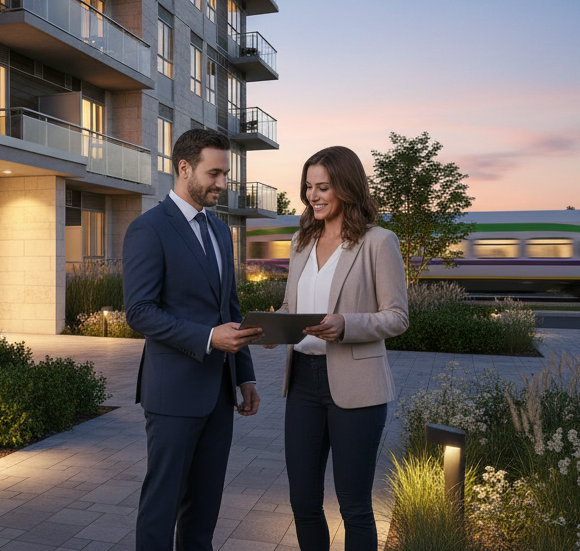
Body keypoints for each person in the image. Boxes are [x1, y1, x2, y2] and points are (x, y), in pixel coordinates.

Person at [124, 128, 263, 551]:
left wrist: (245, 376)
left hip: (219, 395)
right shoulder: (149, 229)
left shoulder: (221, 232)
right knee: (161, 507)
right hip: (173, 395)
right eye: (215, 173)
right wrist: (207, 338)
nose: (222, 183)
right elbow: (140, 311)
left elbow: (230, 310)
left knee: (204, 510)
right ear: (184, 168)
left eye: (225, 174)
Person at [264, 146, 408, 550]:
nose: (313, 196)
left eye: (323, 187)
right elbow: (293, 307)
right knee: (303, 501)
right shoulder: (300, 240)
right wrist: (273, 326)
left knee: (355, 506)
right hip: (304, 384)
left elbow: (397, 316)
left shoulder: (378, 242)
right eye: (308, 187)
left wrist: (345, 325)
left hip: (357, 385)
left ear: (346, 187)